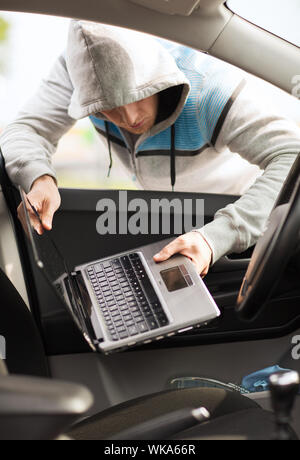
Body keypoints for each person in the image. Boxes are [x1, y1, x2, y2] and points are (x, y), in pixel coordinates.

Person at [1, 20, 300, 276]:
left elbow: (292, 156)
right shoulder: (75, 71)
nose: (130, 119)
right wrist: (38, 178)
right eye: (107, 108)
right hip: (177, 220)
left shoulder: (209, 90)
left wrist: (217, 237)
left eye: (138, 95)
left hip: (247, 221)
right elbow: (26, 129)